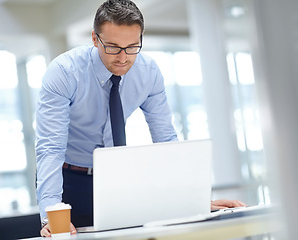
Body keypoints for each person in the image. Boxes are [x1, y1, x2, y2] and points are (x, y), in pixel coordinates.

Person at [36, 0, 246, 237]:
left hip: (120, 178)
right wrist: (50, 213)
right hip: (70, 180)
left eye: (133, 46)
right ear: (95, 39)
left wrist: (193, 200)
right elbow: (50, 148)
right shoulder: (64, 73)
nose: (123, 58)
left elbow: (165, 138)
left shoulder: (148, 72)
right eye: (113, 47)